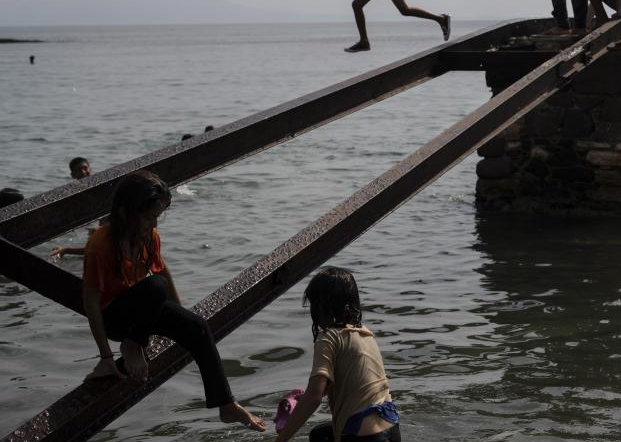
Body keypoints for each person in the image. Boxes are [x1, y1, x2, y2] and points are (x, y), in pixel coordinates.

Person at [81, 170, 265, 431]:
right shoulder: (101, 244)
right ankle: (133, 346)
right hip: (116, 319)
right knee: (156, 286)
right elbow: (90, 303)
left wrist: (181, 316)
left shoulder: (148, 237)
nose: (153, 226)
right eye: (148, 218)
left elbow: (161, 270)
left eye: (157, 218)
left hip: (142, 312)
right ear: (124, 213)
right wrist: (105, 356)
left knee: (198, 327)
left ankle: (226, 404)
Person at [272, 267, 400, 442]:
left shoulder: (328, 337)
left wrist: (282, 439)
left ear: (321, 307)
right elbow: (357, 382)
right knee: (320, 434)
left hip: (362, 435)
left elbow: (314, 397)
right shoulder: (365, 334)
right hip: (391, 428)